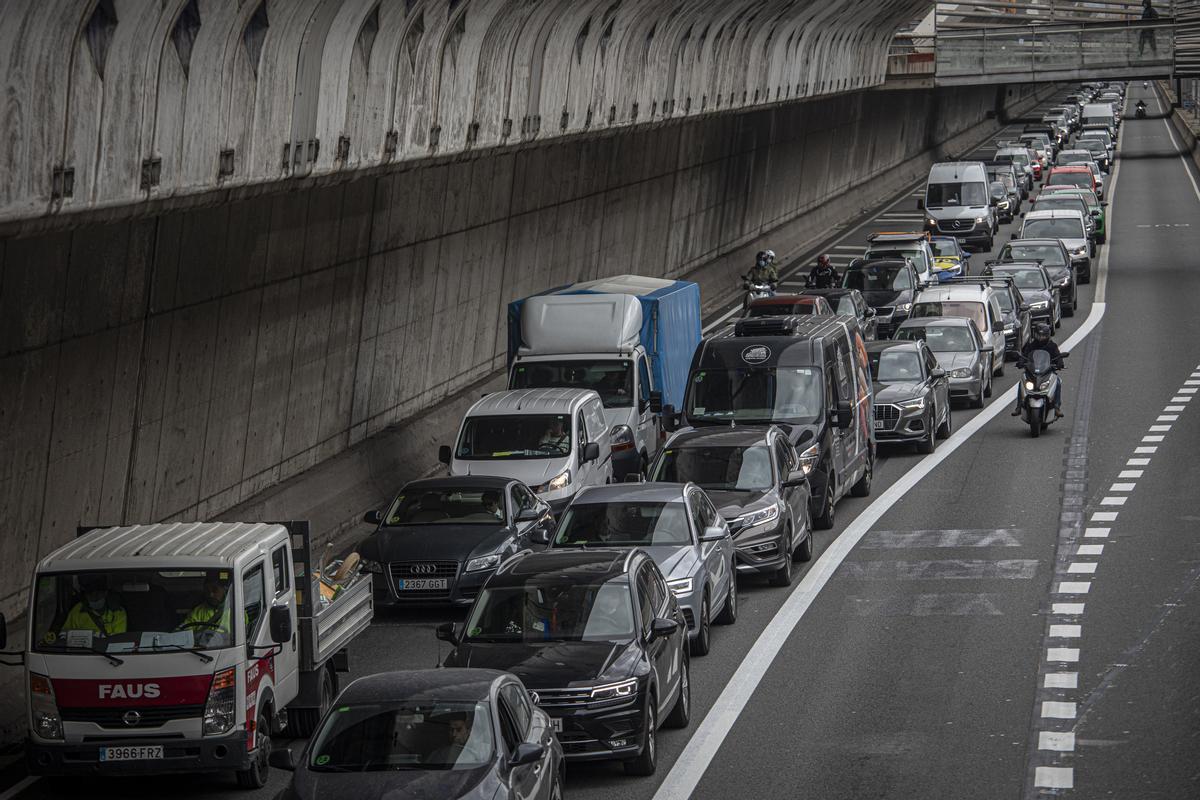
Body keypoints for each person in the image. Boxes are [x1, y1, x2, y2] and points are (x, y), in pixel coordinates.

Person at [1013, 322, 1065, 418]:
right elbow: (1024, 355)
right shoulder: (1031, 345)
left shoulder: (1052, 346)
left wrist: (1060, 363)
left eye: (1043, 336)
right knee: (1021, 383)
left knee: (1057, 382)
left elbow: (1058, 356)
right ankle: (1019, 406)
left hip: (1047, 372)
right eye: (1039, 335)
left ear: (1048, 335)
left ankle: (1057, 406)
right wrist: (1020, 361)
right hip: (1032, 372)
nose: (1041, 338)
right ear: (1035, 335)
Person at [60, 575, 127, 637]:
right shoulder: (77, 611)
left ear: (105, 593)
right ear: (85, 596)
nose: (94, 598)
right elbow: (64, 635)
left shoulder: (118, 612)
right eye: (90, 595)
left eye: (97, 594)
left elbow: (117, 638)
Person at [178, 572, 234, 638]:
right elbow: (183, 630)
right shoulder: (198, 611)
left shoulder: (236, 609)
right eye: (208, 591)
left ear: (225, 589)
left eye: (215, 590)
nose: (211, 595)